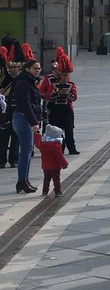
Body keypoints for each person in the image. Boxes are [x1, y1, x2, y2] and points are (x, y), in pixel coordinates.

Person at [11, 47, 42, 194]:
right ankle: (22, 181)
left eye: (39, 68)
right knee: (26, 151)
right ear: (28, 69)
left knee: (28, 150)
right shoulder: (24, 82)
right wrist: (34, 122)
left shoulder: (28, 80)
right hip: (23, 118)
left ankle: (25, 180)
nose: (38, 71)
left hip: (24, 118)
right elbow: (26, 104)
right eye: (35, 68)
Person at [38, 47, 79, 155]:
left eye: (67, 75)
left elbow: (73, 97)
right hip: (53, 108)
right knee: (55, 129)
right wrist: (55, 94)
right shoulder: (49, 80)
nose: (65, 77)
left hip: (66, 109)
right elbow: (44, 94)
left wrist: (67, 94)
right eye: (62, 74)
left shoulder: (71, 84)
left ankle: (72, 148)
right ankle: (59, 147)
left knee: (69, 129)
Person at [35, 124, 68, 196]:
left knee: (46, 179)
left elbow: (37, 144)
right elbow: (59, 156)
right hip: (55, 166)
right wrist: (64, 164)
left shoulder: (42, 145)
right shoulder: (56, 146)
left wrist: (37, 134)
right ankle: (57, 191)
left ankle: (45, 191)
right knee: (56, 179)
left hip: (45, 166)